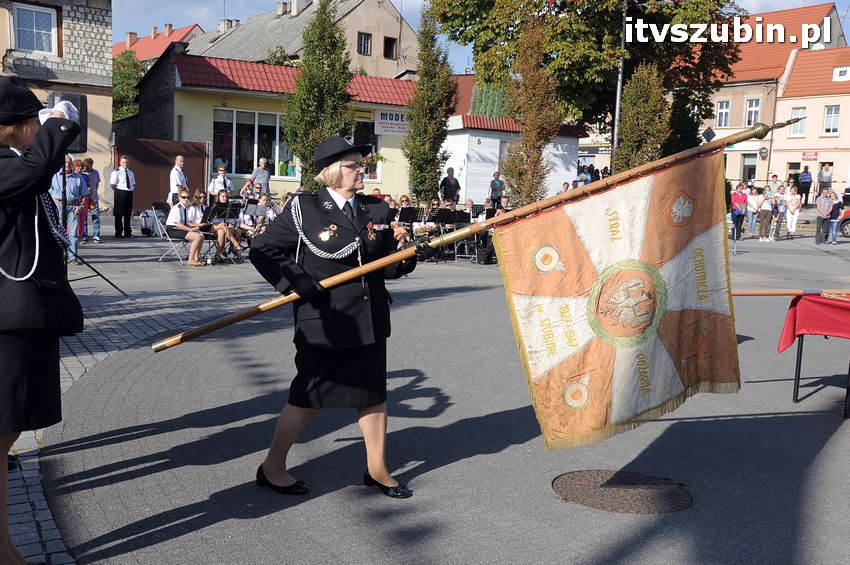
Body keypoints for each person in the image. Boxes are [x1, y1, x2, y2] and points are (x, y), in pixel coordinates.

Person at [249, 136, 428, 499]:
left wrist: (406, 254)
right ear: (331, 172)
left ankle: (377, 469)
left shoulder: (376, 210)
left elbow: (385, 270)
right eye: (353, 164)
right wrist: (298, 282)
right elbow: (262, 249)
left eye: (361, 164)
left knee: (373, 395)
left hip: (368, 319)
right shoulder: (305, 208)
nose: (361, 169)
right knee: (307, 399)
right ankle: (272, 467)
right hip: (325, 321)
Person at [0, 78, 83, 565]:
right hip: (9, 319)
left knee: (7, 434)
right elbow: (33, 174)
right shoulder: (11, 166)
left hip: (25, 315)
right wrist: (62, 124)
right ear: (16, 128)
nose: (39, 130)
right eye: (34, 122)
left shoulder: (17, 165)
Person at [49, 155, 89, 264]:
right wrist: (53, 199)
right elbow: (48, 191)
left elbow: (85, 194)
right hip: (59, 207)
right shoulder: (54, 176)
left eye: (69, 163)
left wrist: (81, 206)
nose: (67, 165)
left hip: (73, 207)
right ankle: (59, 256)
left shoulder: (78, 177)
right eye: (65, 163)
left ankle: (73, 257)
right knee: (59, 232)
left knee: (73, 233)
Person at [165, 189, 205, 266]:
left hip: (180, 228)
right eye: (183, 197)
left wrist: (196, 227)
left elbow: (187, 223)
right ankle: (190, 259)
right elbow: (178, 224)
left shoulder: (185, 208)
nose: (186, 199)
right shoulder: (177, 208)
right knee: (197, 237)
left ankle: (196, 258)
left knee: (201, 235)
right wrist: (191, 230)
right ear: (179, 198)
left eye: (187, 197)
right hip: (173, 229)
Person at [210, 189, 243, 262]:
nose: (225, 198)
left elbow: (231, 220)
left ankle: (218, 254)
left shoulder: (229, 206)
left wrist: (231, 225)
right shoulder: (214, 206)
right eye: (223, 196)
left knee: (238, 231)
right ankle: (236, 245)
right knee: (222, 226)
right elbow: (211, 221)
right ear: (218, 197)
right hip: (215, 226)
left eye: (226, 197)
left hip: (224, 228)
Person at [109, 155, 136, 238]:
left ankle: (128, 232)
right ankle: (118, 232)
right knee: (119, 214)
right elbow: (112, 184)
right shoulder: (116, 172)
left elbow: (133, 183)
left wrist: (130, 190)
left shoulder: (131, 172)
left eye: (127, 162)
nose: (125, 164)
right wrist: (118, 192)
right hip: (120, 192)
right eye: (124, 162)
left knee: (128, 214)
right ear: (120, 162)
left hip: (129, 192)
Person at [82, 158, 101, 243]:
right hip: (84, 198)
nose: (88, 167)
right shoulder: (81, 174)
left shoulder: (95, 172)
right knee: (84, 217)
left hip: (94, 198)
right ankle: (84, 235)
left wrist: (94, 194)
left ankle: (96, 235)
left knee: (95, 216)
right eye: (86, 166)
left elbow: (96, 184)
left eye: (89, 165)